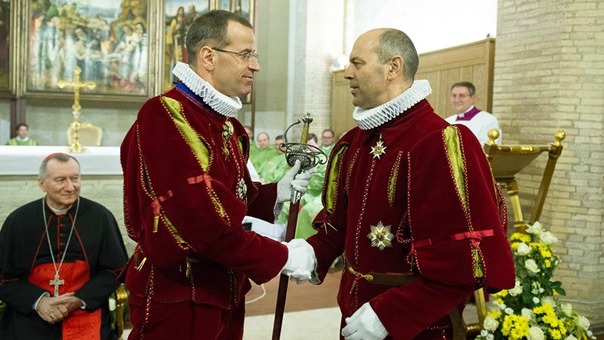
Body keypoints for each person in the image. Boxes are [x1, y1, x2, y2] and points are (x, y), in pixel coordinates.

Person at [285, 28, 515, 339]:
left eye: (357, 63)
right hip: (356, 318)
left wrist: (392, 314)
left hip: (415, 326)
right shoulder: (354, 141)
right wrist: (312, 253)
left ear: (393, 67)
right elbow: (337, 226)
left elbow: (460, 263)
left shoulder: (440, 143)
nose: (347, 73)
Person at [120, 10, 312, 340]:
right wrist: (281, 256)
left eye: (255, 54)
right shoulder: (166, 116)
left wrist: (273, 193)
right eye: (245, 54)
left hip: (223, 287)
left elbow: (230, 197)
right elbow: (204, 223)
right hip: (180, 294)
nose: (256, 65)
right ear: (208, 56)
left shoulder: (225, 123)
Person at [0, 153, 128, 340]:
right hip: (32, 310)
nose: (70, 187)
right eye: (60, 180)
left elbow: (116, 269)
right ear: (42, 183)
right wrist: (39, 302)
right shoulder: (19, 220)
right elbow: (4, 278)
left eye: (75, 178)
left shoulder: (100, 217)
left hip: (84, 306)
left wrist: (78, 300)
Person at [445, 81, 502, 145]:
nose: (457, 100)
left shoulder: (488, 120)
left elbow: (490, 149)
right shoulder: (447, 121)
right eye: (454, 96)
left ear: (472, 98)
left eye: (462, 95)